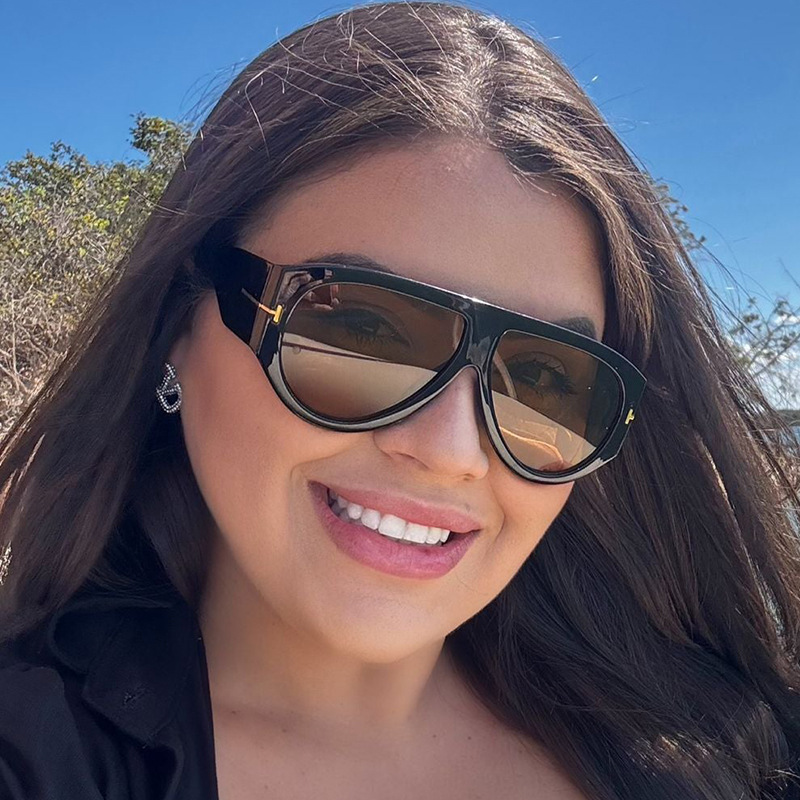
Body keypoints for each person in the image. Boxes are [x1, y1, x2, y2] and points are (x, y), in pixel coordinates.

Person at [1, 3, 798, 799]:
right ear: (179, 320)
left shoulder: (725, 739)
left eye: (546, 380)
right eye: (361, 330)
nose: (451, 450)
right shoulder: (39, 755)